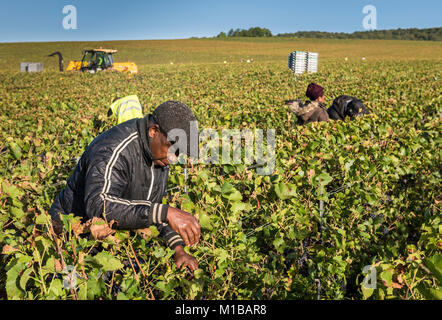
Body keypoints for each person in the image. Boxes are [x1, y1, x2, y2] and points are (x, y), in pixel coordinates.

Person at [49, 101, 201, 274]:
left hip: (111, 238)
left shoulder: (159, 155)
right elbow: (99, 206)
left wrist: (178, 250)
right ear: (154, 131)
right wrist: (167, 212)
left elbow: (151, 211)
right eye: (172, 148)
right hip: (72, 237)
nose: (174, 158)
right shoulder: (113, 148)